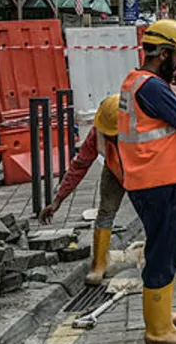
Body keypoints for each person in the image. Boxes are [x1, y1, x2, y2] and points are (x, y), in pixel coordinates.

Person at [117, 19, 176, 344]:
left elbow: (160, 131)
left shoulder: (137, 82)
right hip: (157, 180)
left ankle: (162, 315)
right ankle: (158, 330)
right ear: (165, 54)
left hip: (153, 176)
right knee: (164, 251)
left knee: (169, 247)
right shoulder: (152, 86)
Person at [39, 95, 124, 286]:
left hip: (144, 175)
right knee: (105, 213)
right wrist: (57, 200)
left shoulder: (140, 129)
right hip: (115, 171)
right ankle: (99, 264)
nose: (113, 137)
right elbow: (79, 166)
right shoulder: (98, 133)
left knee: (153, 215)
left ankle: (165, 260)